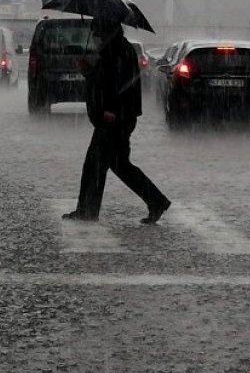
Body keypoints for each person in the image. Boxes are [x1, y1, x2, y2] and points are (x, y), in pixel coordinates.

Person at [63, 17, 171, 224]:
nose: (94, 37)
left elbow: (120, 85)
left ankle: (87, 210)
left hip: (114, 119)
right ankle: (156, 200)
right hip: (117, 117)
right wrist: (88, 72)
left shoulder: (118, 51)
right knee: (119, 165)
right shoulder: (114, 49)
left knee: (95, 165)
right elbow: (105, 81)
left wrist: (113, 110)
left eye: (96, 32)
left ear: (105, 31)